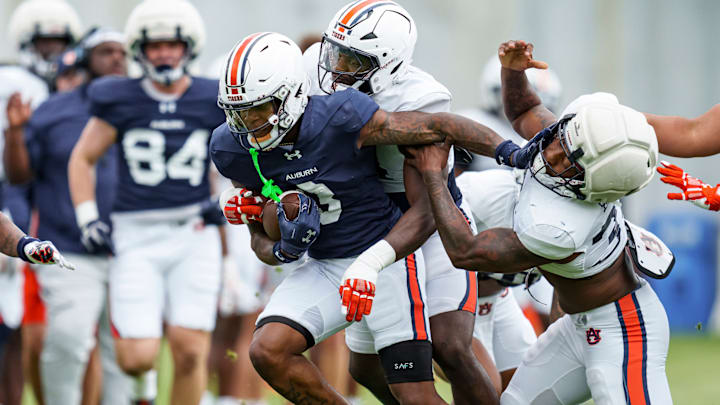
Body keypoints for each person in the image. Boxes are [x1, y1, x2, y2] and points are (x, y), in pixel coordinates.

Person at [212, 31, 513, 405]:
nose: (247, 125)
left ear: (290, 95)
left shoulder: (341, 116)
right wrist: (282, 249)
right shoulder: (231, 148)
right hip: (324, 264)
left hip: (384, 257)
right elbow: (260, 240)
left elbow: (437, 126)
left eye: (258, 111)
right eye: (237, 114)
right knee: (268, 351)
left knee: (416, 391)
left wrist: (508, 150)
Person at [403, 39, 672, 405]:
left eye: (567, 159)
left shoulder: (561, 226)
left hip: (624, 329)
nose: (551, 150)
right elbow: (526, 110)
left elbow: (466, 252)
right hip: (578, 327)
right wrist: (513, 72)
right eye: (564, 138)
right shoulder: (573, 146)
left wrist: (434, 175)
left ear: (589, 185)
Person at [304, 2, 498, 403]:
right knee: (366, 367)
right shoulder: (311, 71)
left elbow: (426, 207)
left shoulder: (420, 97)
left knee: (450, 346)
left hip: (427, 221)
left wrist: (373, 260)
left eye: (352, 59)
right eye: (334, 51)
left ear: (390, 64)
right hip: (366, 221)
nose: (336, 66)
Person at [67, 1, 225, 404]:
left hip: (194, 230)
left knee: (190, 350)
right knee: (136, 358)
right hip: (135, 233)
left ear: (189, 46)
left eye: (173, 44)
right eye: (155, 46)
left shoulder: (213, 96)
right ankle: (145, 390)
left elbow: (246, 159)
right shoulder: (119, 97)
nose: (165, 53)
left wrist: (224, 199)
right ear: (140, 50)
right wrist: (88, 219)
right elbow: (82, 158)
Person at [4, 28, 132, 405]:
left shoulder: (142, 106)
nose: (116, 59)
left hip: (132, 247)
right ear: (84, 58)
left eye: (122, 52)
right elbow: (19, 176)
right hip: (69, 247)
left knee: (127, 353)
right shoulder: (53, 109)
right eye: (106, 52)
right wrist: (14, 134)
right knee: (69, 340)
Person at [2, 1, 82, 402]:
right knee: (20, 331)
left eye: (59, 42)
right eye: (44, 41)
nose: (52, 51)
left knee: (53, 334)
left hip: (55, 218)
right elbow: (13, 175)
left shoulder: (77, 89)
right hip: (20, 212)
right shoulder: (14, 82)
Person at [453, 154, 540, 392]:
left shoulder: (581, 217)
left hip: (498, 298)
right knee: (484, 392)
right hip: (455, 301)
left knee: (531, 389)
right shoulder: (486, 194)